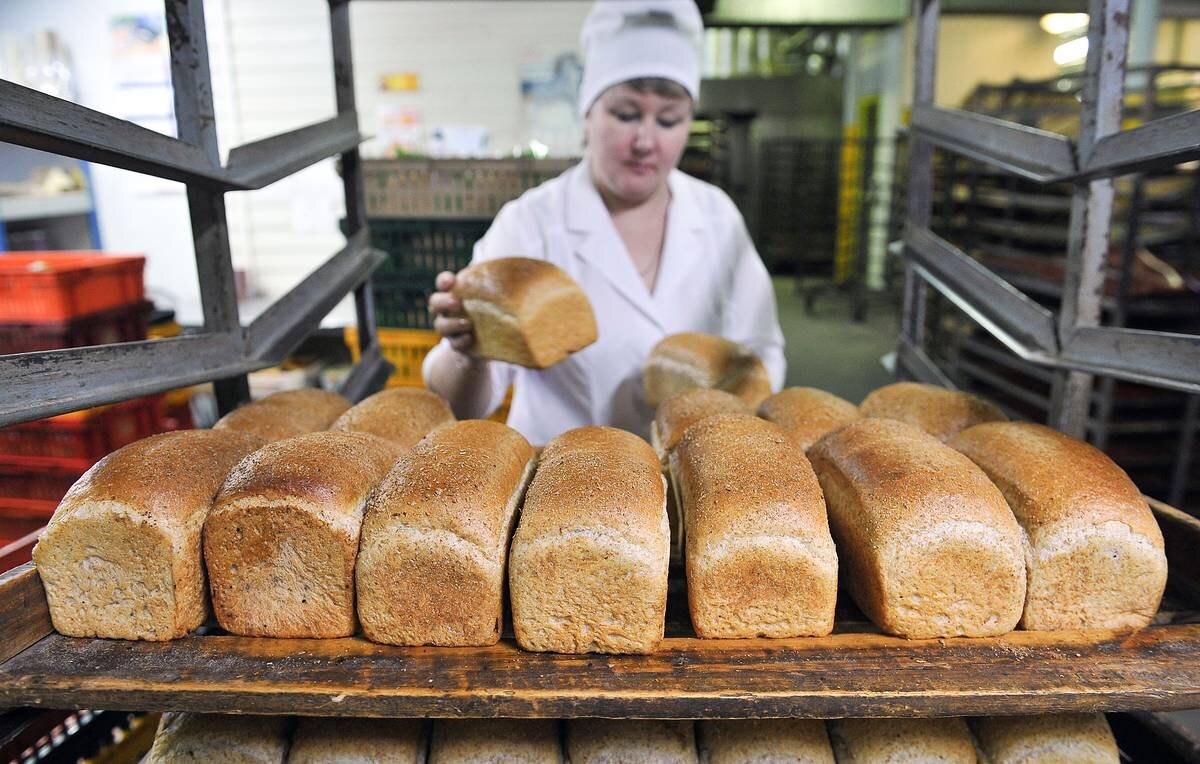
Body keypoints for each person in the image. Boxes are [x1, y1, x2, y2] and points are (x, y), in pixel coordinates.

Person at [424, 0, 785, 446]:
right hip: (558, 484)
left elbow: (762, 352)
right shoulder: (531, 223)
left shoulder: (716, 216)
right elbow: (461, 408)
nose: (645, 141)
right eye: (626, 114)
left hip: (683, 485)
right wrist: (468, 355)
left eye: (669, 119)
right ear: (588, 112)